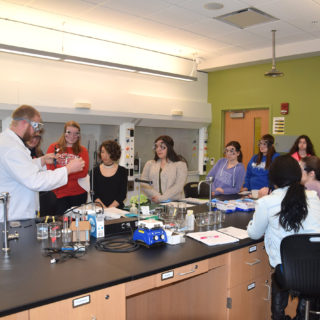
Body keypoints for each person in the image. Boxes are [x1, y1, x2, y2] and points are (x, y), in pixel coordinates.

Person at [247, 155, 320, 320]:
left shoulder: (267, 202)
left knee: (281, 272)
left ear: (273, 178)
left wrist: (259, 203)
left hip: (288, 273)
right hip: (317, 270)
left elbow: (254, 233)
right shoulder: (313, 197)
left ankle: (278, 316)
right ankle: (303, 315)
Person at [0, 105, 85, 221]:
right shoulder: (12, 148)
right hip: (14, 218)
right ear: (24, 123)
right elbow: (35, 181)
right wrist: (68, 169)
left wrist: (41, 161)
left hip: (16, 215)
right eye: (36, 125)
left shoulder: (10, 143)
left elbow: (23, 168)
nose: (37, 131)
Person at [46, 121, 89, 215]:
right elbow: (50, 170)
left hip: (78, 193)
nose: (72, 136)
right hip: (59, 194)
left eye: (76, 133)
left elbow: (83, 172)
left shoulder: (83, 150)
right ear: (64, 133)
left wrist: (62, 173)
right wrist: (72, 170)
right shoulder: (54, 147)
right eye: (69, 132)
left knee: (77, 224)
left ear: (79, 135)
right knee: (60, 223)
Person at [141, 135, 187, 203]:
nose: (158, 149)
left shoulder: (180, 165)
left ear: (169, 148)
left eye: (162, 147)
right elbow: (143, 183)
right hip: (155, 202)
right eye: (156, 147)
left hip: (174, 203)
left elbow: (178, 187)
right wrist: (157, 196)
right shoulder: (150, 164)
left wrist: (161, 198)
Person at [91, 140, 128, 209]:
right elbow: (94, 194)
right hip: (99, 209)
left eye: (108, 152)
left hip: (117, 210)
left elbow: (122, 194)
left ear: (114, 153)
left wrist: (110, 209)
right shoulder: (94, 171)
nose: (104, 155)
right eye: (102, 152)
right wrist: (104, 209)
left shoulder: (122, 171)